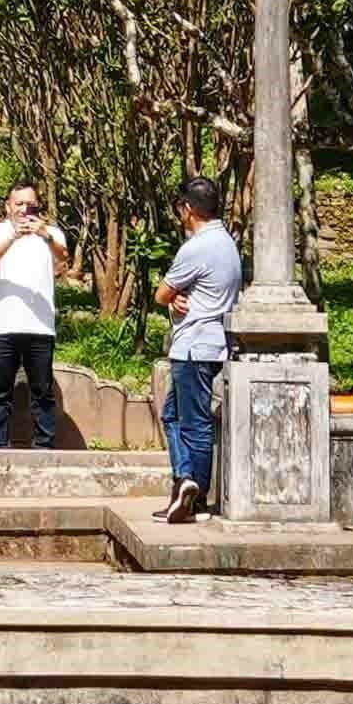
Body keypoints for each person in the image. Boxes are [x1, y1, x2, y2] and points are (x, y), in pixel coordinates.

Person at [153, 175, 243, 521]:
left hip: (192, 347)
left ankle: (196, 492)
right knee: (173, 415)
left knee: (194, 422)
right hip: (213, 342)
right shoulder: (227, 243)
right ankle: (184, 483)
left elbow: (162, 293)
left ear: (188, 209)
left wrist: (172, 298)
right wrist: (179, 299)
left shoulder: (196, 248)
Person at [0, 185, 69, 449]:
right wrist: (15, 235)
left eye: (30, 204)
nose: (24, 209)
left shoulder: (52, 234)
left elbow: (63, 259)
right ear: (8, 206)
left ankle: (44, 445)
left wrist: (44, 234)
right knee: (1, 390)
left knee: (42, 391)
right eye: (19, 204)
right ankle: (0, 443)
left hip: (41, 326)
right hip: (3, 325)